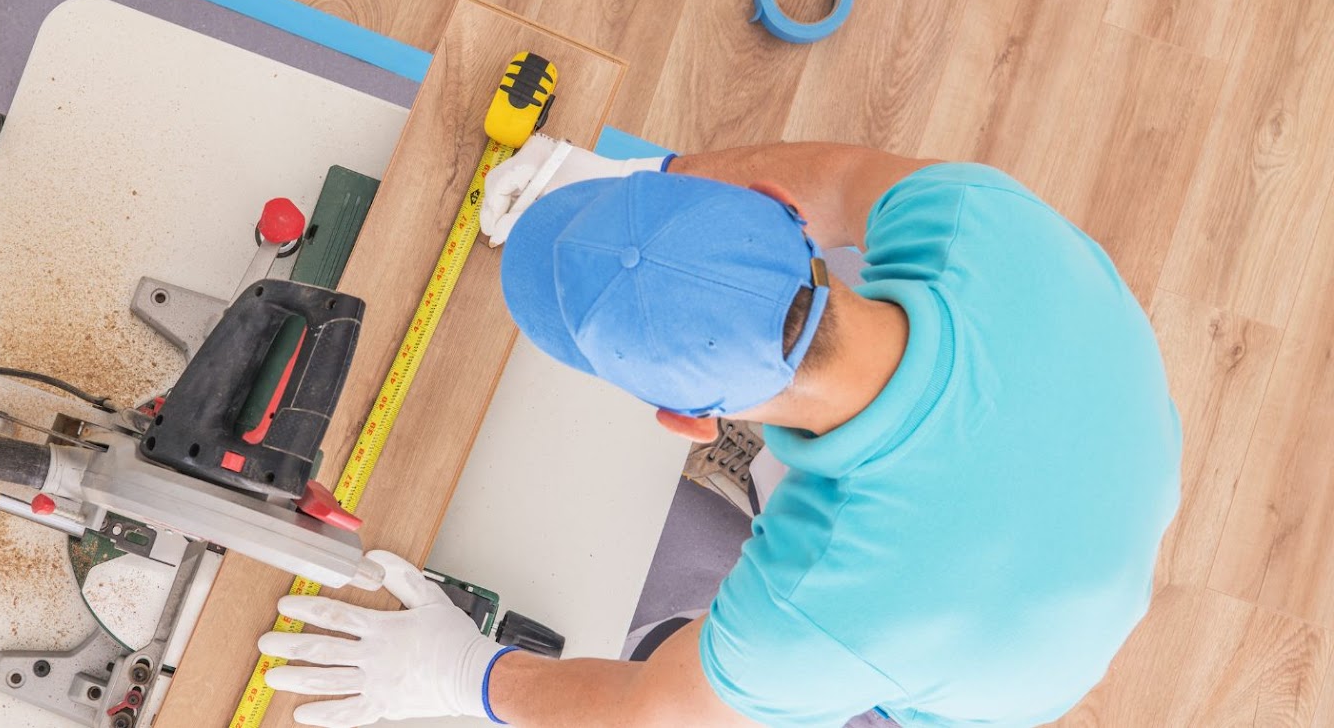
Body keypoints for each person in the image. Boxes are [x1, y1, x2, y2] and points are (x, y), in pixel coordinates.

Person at [259, 139, 1181, 728]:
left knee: (649, 629)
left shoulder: (816, 607)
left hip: (970, 690)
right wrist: (650, 190)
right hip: (1103, 470)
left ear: (687, 422)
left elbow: (652, 717)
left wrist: (466, 676)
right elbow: (832, 180)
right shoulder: (978, 219)